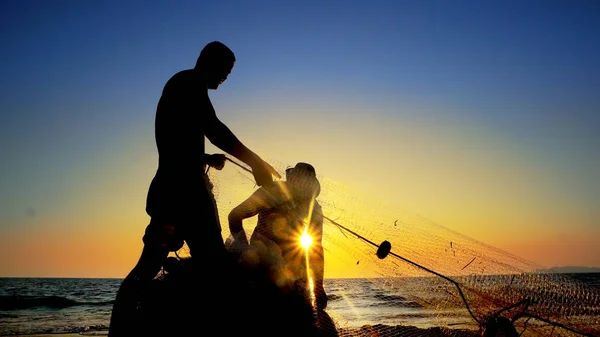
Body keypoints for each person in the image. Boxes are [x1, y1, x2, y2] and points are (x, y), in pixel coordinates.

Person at [108, 41, 280, 337]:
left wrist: (204, 158)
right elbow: (212, 128)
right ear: (208, 62)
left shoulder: (180, 86)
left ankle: (119, 331)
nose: (225, 79)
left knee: (151, 265)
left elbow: (174, 143)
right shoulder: (190, 83)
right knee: (212, 267)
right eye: (224, 71)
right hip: (185, 195)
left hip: (171, 190)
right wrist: (255, 162)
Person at [227, 162, 327, 311]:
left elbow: (316, 246)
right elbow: (234, 216)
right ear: (292, 180)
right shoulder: (270, 193)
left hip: (292, 260)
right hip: (261, 254)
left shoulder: (314, 207)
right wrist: (243, 248)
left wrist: (318, 287)